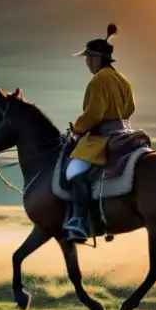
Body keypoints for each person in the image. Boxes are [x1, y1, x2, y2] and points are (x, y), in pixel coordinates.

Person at [63, 23, 136, 242]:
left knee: (74, 171)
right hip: (124, 132)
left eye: (87, 58)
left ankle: (78, 221)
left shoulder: (98, 81)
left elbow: (93, 115)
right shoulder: (123, 80)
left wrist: (76, 128)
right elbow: (130, 109)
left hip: (101, 138)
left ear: (95, 58)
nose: (86, 62)